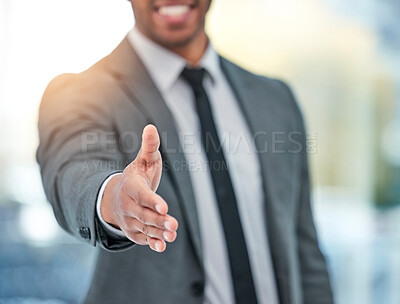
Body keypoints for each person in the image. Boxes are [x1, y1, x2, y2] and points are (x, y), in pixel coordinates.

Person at [37, 0, 334, 303]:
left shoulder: (276, 99)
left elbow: (305, 252)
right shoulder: (80, 93)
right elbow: (73, 171)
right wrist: (113, 198)